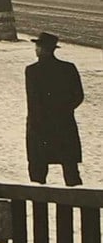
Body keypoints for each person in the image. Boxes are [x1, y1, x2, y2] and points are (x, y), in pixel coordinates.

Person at [25, 31, 84, 186]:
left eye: (37, 46)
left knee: (38, 168)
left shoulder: (32, 70)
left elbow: (33, 100)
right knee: (70, 167)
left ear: (42, 49)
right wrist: (64, 110)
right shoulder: (68, 68)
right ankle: (79, 201)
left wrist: (35, 122)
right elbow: (78, 96)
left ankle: (38, 204)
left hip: (40, 125)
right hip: (64, 123)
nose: (35, 49)